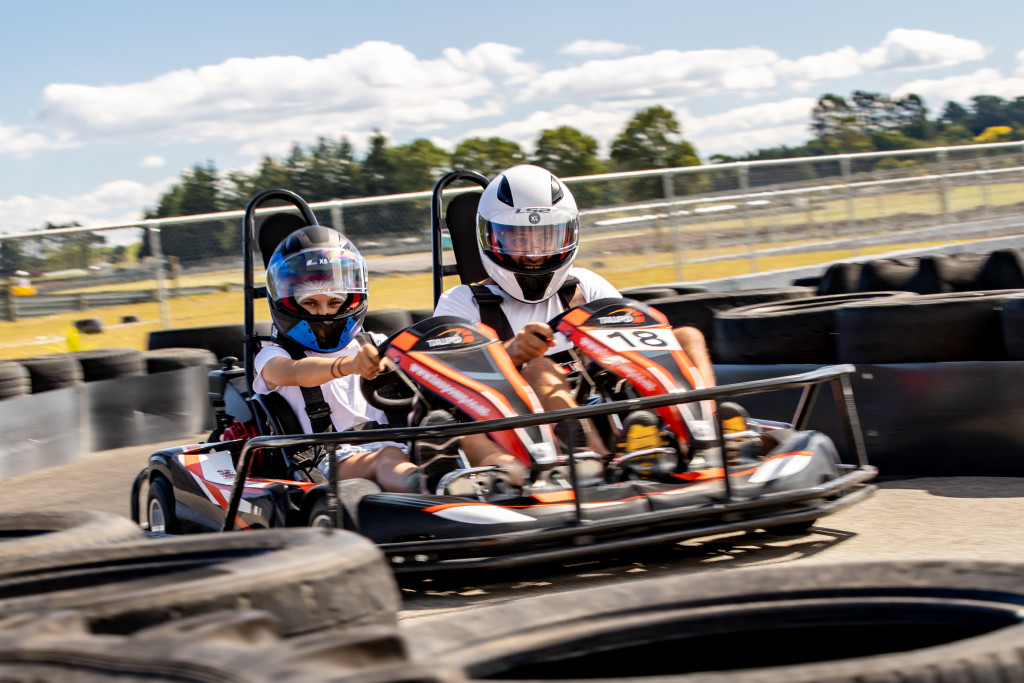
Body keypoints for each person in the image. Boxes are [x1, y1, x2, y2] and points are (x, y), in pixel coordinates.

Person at [432, 164, 718, 455]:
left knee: (687, 337)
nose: (534, 254)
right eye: (519, 239)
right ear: (491, 238)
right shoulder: (462, 302)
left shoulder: (586, 285)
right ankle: (599, 465)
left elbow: (635, 335)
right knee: (540, 368)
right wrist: (512, 354)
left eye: (546, 237)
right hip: (528, 434)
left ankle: (706, 438)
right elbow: (446, 380)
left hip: (607, 408)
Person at [254, 224, 522, 493]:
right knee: (386, 457)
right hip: (329, 459)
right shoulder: (274, 355)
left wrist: (504, 353)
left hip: (397, 439)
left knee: (463, 433)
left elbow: (437, 366)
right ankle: (431, 486)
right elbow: (293, 372)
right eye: (311, 303)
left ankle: (516, 474)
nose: (325, 314)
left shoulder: (374, 343)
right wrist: (350, 365)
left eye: (334, 303)